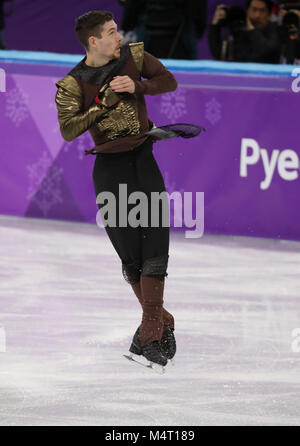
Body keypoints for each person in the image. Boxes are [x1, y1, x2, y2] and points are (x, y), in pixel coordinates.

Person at [55, 10, 178, 369]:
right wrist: (102, 103)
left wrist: (138, 86)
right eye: (111, 32)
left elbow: (169, 81)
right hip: (109, 172)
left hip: (143, 161)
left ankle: (150, 333)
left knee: (155, 244)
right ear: (94, 41)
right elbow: (68, 129)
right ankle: (159, 322)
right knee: (131, 257)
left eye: (117, 30)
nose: (119, 36)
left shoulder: (134, 57)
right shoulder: (72, 84)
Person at [121, 0, 207, 60]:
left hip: (180, 32)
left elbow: (131, 9)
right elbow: (200, 11)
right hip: (183, 34)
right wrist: (199, 30)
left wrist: (127, 26)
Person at [208, 0, 281, 63]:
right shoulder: (240, 30)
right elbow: (219, 53)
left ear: (269, 14)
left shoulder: (274, 30)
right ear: (247, 11)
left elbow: (265, 52)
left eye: (262, 11)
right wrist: (215, 26)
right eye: (254, 9)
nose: (257, 15)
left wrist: (252, 30)